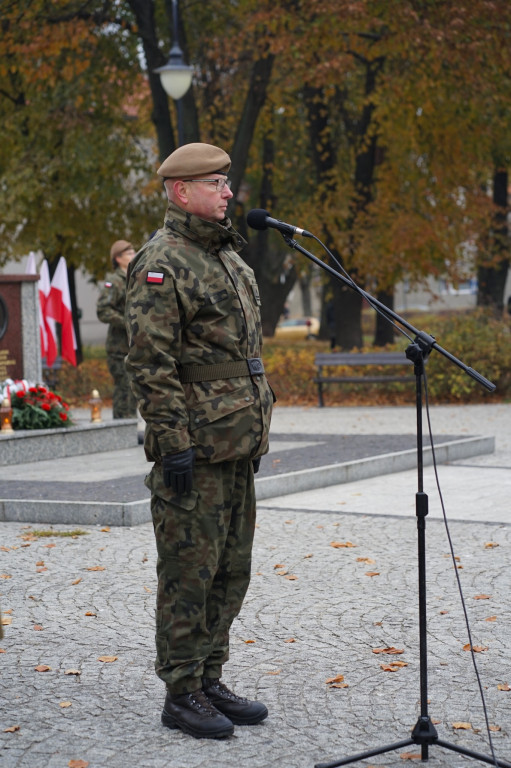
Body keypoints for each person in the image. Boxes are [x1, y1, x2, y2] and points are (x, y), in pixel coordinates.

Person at [124, 143, 274, 740]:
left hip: (236, 445)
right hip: (197, 449)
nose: (228, 191)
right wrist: (172, 441)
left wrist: (256, 429)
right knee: (190, 572)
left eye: (227, 182)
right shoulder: (162, 262)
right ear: (182, 191)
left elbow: (243, 360)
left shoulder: (230, 260)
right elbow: (150, 362)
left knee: (229, 570)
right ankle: (181, 692)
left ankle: (210, 676)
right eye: (216, 183)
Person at [96, 240, 137, 419]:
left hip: (133, 345)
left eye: (134, 252)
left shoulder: (134, 277)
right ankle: (121, 430)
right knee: (124, 390)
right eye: (129, 254)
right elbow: (103, 311)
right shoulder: (114, 282)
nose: (133, 256)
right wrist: (127, 322)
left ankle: (128, 429)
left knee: (133, 389)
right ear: (118, 258)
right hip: (119, 348)